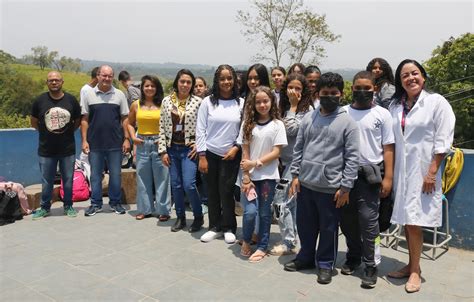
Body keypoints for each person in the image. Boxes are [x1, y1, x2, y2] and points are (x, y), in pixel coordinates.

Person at [284, 72, 359, 285]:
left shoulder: (348, 123)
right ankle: (305, 257)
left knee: (328, 229)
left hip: (331, 188)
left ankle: (325, 264)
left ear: (341, 94)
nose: (329, 97)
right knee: (305, 226)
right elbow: (298, 148)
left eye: (334, 93)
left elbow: (352, 158)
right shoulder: (309, 117)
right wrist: (296, 175)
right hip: (306, 184)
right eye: (325, 93)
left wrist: (345, 187)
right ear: (318, 94)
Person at [387, 59, 455, 293]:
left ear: (423, 77)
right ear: (400, 81)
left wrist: (432, 172)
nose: (410, 78)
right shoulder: (396, 106)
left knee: (416, 221)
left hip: (425, 172)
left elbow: (444, 140)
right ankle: (410, 265)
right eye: (405, 75)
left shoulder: (436, 102)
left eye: (414, 73)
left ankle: (415, 270)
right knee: (407, 219)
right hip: (402, 173)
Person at [340, 71, 395, 288]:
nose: (362, 92)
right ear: (351, 88)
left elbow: (388, 148)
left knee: (368, 221)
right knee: (347, 220)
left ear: (374, 90)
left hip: (371, 176)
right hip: (345, 176)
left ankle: (370, 263)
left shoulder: (382, 114)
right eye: (358, 88)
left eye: (367, 89)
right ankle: (353, 256)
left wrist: (388, 177)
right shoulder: (343, 112)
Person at [238, 86, 287, 263]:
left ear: (271, 102)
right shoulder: (247, 124)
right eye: (258, 101)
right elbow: (245, 151)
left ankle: (262, 246)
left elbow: (276, 152)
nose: (262, 105)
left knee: (265, 213)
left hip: (268, 178)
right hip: (249, 177)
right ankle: (246, 239)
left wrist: (256, 163)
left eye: (265, 101)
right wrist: (246, 175)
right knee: (250, 212)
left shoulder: (277, 125)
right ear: (253, 104)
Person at [196, 64, 244, 243]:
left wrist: (236, 147)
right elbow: (200, 129)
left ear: (234, 81)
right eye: (222, 78)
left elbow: (243, 129)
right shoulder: (207, 102)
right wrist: (202, 155)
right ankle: (214, 226)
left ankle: (229, 227)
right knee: (212, 191)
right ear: (217, 81)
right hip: (210, 154)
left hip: (231, 154)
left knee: (227, 191)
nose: (226, 82)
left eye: (229, 78)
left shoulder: (241, 103)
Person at [270, 73, 313, 256]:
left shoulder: (307, 110)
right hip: (282, 162)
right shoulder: (281, 107)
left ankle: (288, 242)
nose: (293, 91)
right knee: (290, 204)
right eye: (290, 87)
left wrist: (294, 107)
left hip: (297, 165)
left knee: (280, 202)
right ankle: (292, 238)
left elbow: (292, 129)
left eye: (298, 89)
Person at [30, 71, 81, 219]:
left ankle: (68, 206)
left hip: (67, 149)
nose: (54, 82)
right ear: (47, 83)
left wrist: (66, 131)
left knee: (68, 179)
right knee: (47, 181)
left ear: (62, 82)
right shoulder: (40, 101)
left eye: (57, 80)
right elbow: (34, 121)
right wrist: (46, 132)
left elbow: (77, 121)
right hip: (46, 149)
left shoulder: (71, 100)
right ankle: (45, 207)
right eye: (51, 80)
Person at [81, 65, 130, 216]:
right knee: (95, 175)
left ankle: (115, 203)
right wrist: (84, 140)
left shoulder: (119, 94)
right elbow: (84, 119)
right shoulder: (88, 94)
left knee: (116, 175)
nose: (107, 79)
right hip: (94, 143)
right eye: (104, 75)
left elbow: (125, 118)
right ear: (98, 75)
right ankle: (96, 204)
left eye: (110, 76)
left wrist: (127, 139)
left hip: (115, 143)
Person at [158, 69, 203, 232]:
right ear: (177, 82)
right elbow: (161, 127)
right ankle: (181, 217)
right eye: (182, 81)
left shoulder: (198, 102)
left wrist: (199, 145)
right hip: (172, 149)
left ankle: (198, 217)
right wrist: (162, 151)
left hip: (188, 149)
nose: (185, 85)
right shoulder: (167, 101)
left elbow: (205, 127)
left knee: (189, 184)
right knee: (176, 185)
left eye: (188, 82)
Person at [127, 75, 171, 221]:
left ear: (157, 88)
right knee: (142, 178)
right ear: (142, 88)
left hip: (160, 143)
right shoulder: (136, 105)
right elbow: (129, 123)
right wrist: (133, 137)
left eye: (153, 86)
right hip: (142, 144)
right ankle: (144, 209)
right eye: (147, 86)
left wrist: (164, 139)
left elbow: (169, 124)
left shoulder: (163, 104)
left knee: (162, 178)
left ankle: (163, 210)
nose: (150, 88)